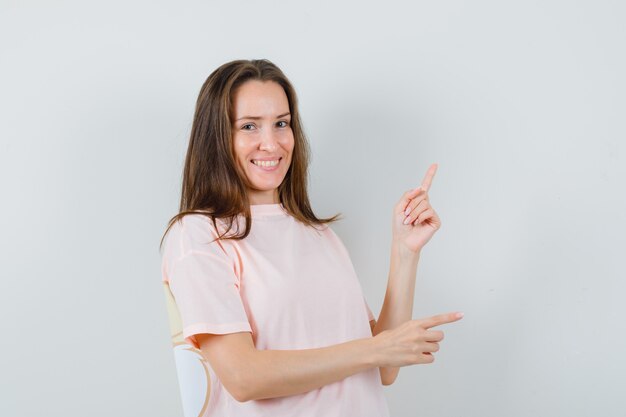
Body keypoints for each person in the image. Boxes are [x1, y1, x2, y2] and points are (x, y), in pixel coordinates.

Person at [159, 58, 463, 416]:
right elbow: (243, 377)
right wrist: (377, 349)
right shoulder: (198, 235)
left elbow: (384, 368)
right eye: (249, 126)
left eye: (281, 123)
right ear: (217, 137)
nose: (270, 144)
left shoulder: (319, 235)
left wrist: (405, 251)